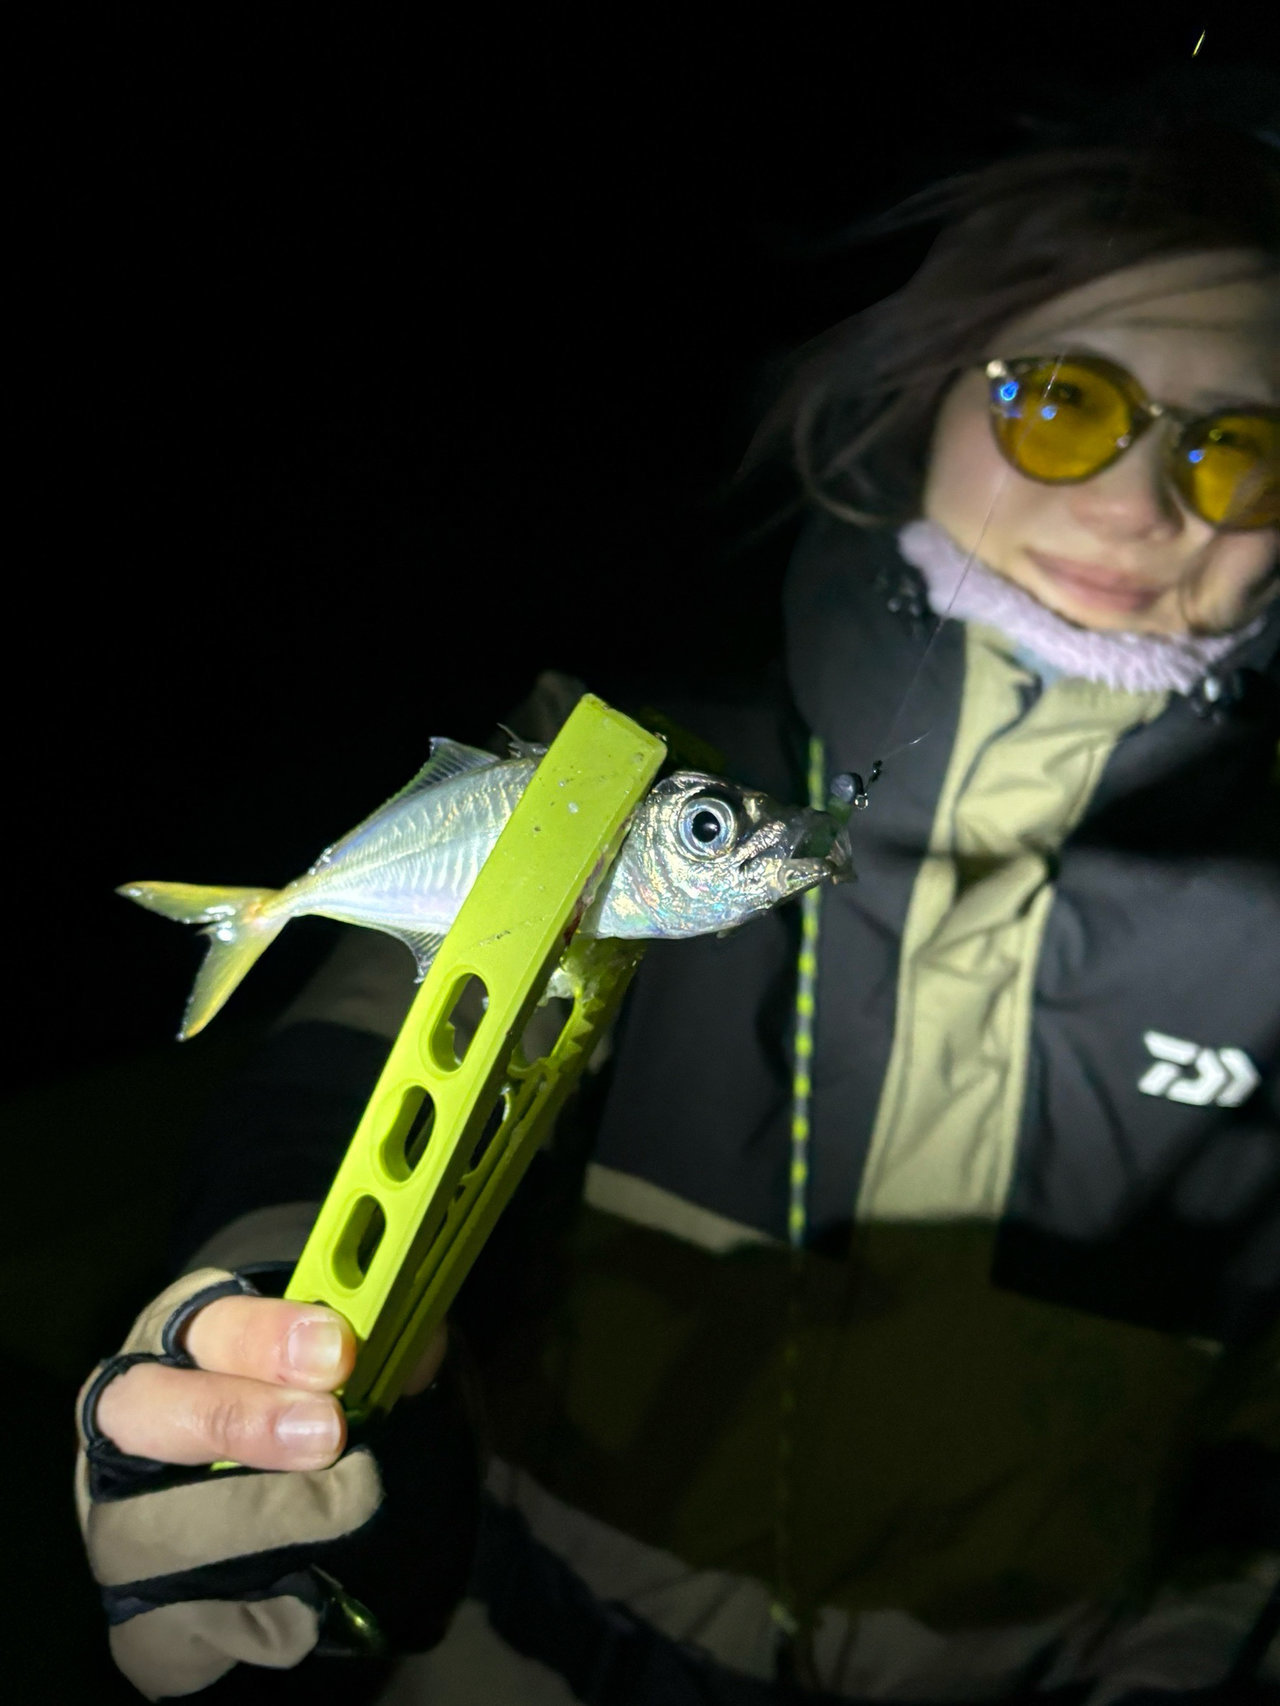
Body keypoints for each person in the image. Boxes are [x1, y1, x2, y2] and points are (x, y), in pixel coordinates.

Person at [75, 85, 1279, 1705]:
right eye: (1064, 403)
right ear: (935, 387)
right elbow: (355, 1068)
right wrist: (253, 1342)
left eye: (1242, 450)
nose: (1140, 506)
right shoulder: (619, 762)